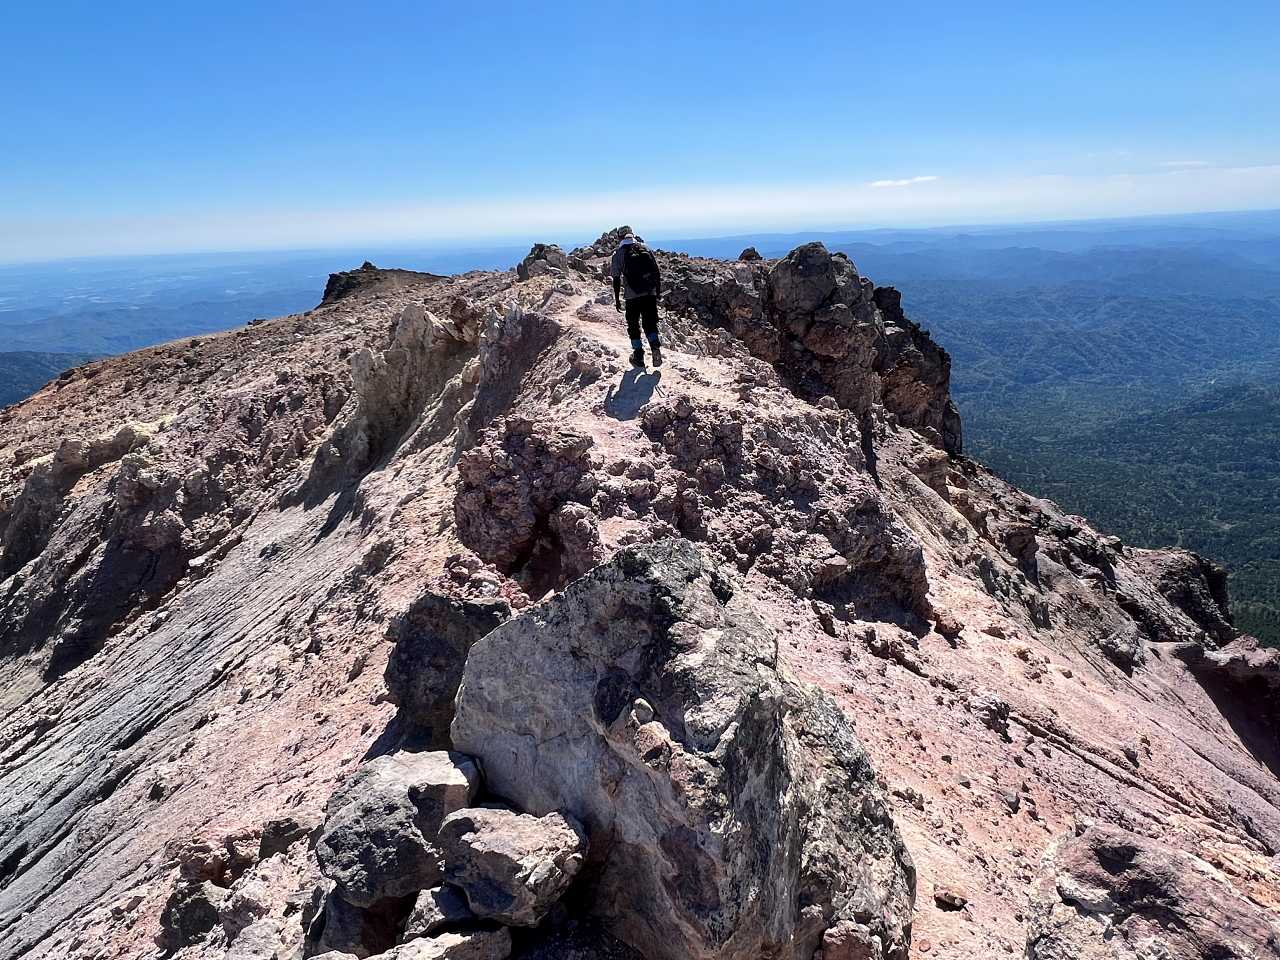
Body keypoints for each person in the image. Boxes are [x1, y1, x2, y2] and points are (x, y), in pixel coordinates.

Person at [611, 233, 663, 367]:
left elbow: (616, 279)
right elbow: (656, 271)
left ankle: (638, 355)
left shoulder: (618, 254)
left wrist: (617, 299)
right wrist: (657, 292)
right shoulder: (645, 248)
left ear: (620, 238)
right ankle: (655, 348)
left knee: (633, 325)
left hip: (631, 296)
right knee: (650, 323)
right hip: (649, 293)